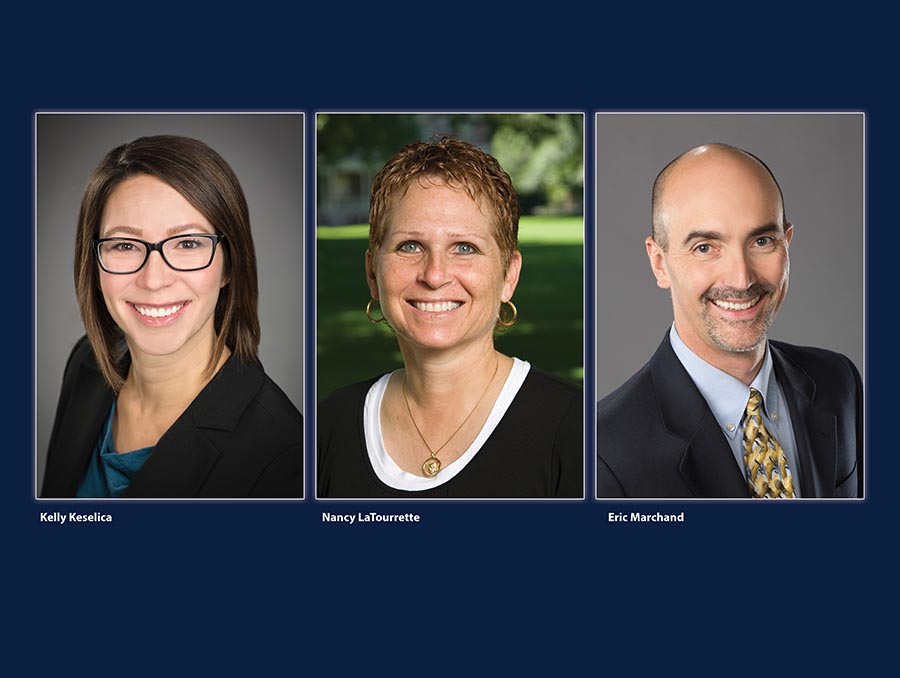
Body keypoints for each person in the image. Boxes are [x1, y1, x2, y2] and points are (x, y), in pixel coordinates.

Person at [317, 136, 582, 498]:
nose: (435, 274)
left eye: (464, 248)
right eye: (409, 246)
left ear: (509, 276)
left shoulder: (577, 431)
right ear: (372, 273)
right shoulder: (328, 427)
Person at [41, 135, 302, 498]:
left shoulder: (285, 456)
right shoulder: (86, 363)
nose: (153, 279)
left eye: (188, 243)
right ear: (93, 262)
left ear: (230, 264)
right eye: (124, 245)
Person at [597, 143, 863, 499]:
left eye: (762, 240)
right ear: (659, 263)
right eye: (705, 247)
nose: (741, 279)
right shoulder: (603, 452)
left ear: (787, 243)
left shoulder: (837, 382)